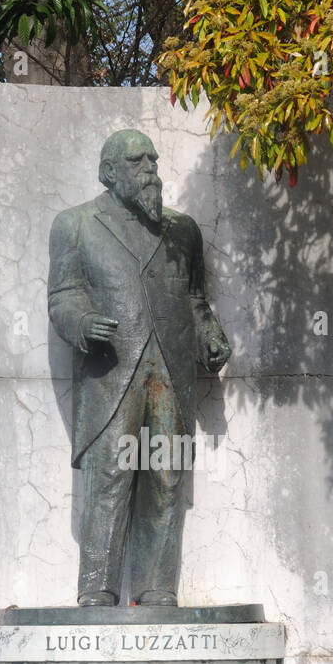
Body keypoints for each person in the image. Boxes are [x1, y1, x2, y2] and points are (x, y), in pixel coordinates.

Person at [48, 129, 230, 606]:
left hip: (170, 368)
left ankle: (157, 589)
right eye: (136, 160)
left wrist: (209, 333)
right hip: (112, 372)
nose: (150, 167)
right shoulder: (76, 224)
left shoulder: (183, 229)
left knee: (166, 477)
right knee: (109, 476)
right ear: (109, 173)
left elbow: (195, 299)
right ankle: (97, 591)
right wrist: (84, 323)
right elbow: (63, 295)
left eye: (152, 158)